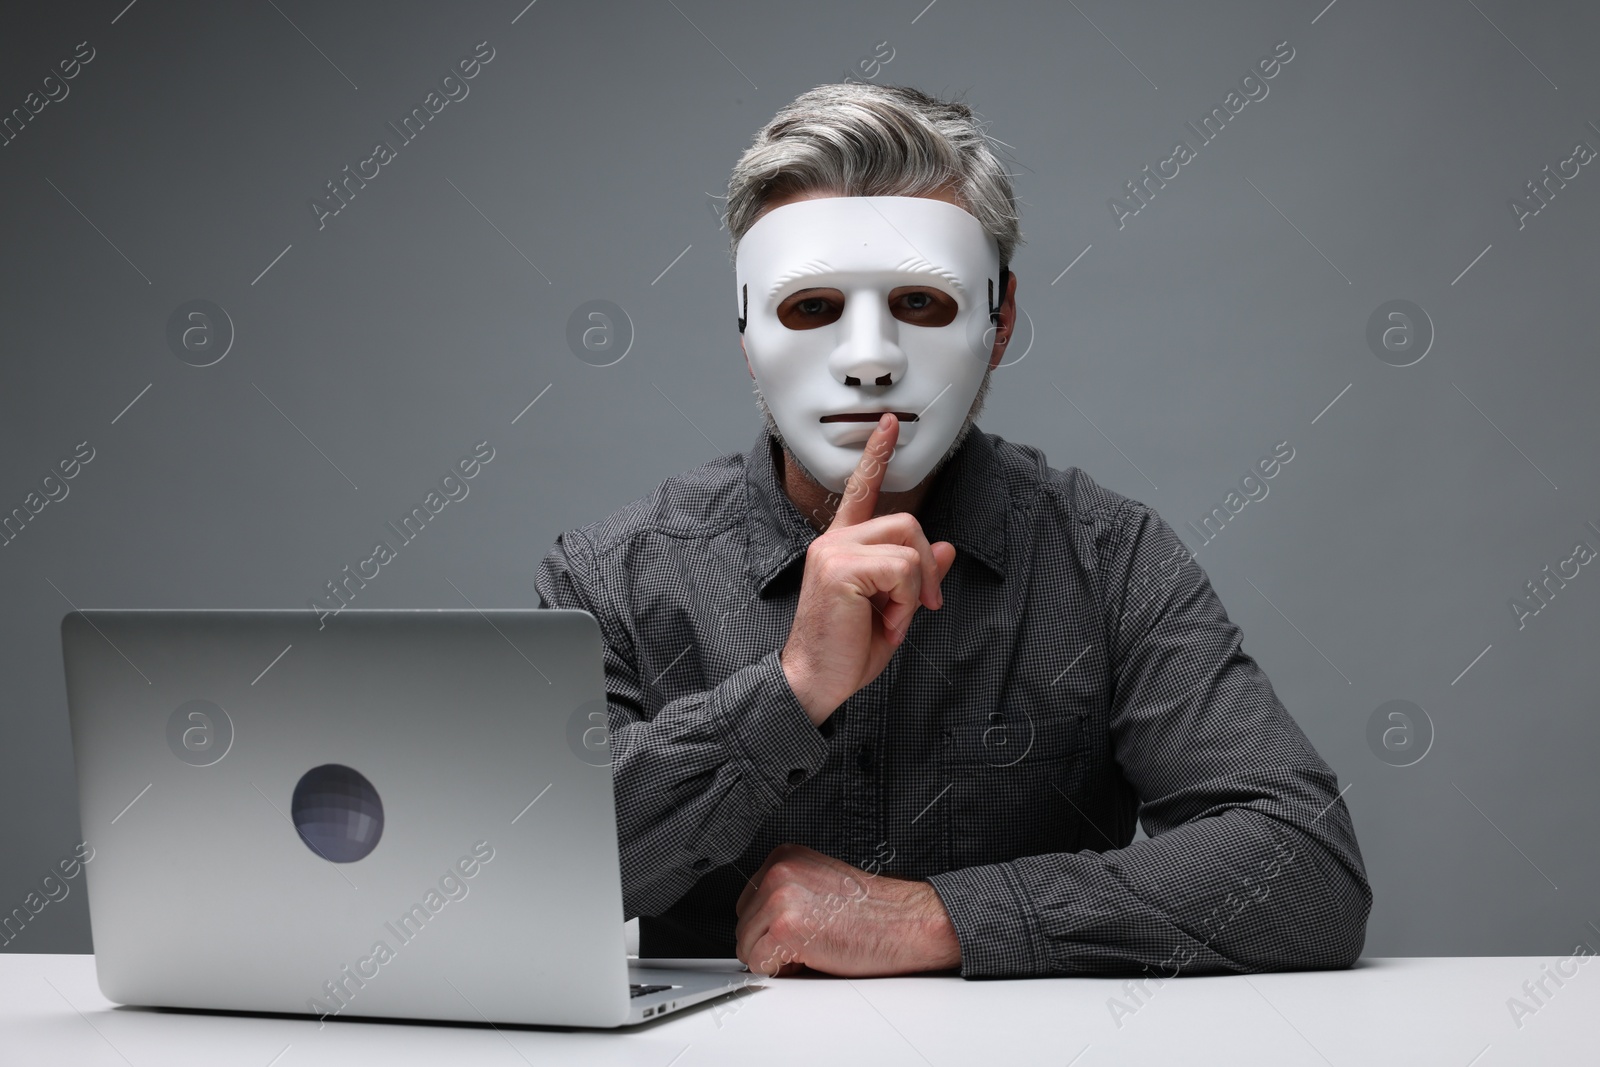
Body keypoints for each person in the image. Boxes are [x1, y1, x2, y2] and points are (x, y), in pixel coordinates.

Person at [535, 82, 1371, 979]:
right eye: (811, 306)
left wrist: (939, 918)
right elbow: (532, 881)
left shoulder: (1108, 561)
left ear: (1000, 320)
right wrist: (791, 690)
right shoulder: (613, 578)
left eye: (922, 305)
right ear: (745, 327)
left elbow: (1305, 870)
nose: (868, 360)